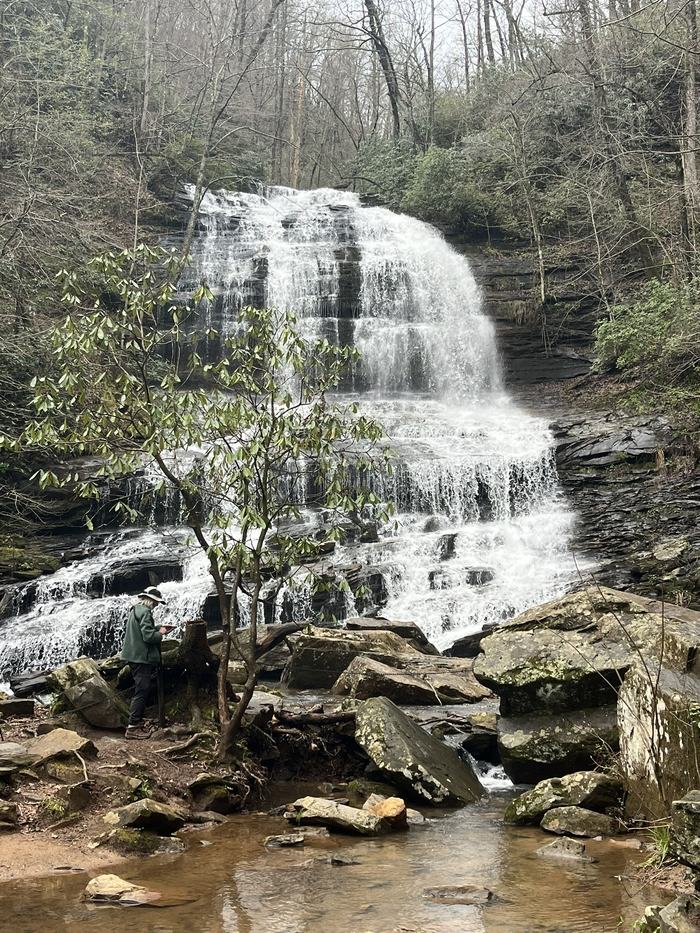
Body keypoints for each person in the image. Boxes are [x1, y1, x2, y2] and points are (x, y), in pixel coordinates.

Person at [120, 586, 172, 739]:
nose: (156, 605)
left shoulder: (136, 609)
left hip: (133, 655)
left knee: (141, 688)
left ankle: (136, 720)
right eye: (155, 603)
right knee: (142, 690)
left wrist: (158, 628)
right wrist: (160, 634)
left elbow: (143, 629)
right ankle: (132, 727)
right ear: (149, 600)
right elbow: (148, 637)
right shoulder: (146, 613)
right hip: (142, 658)